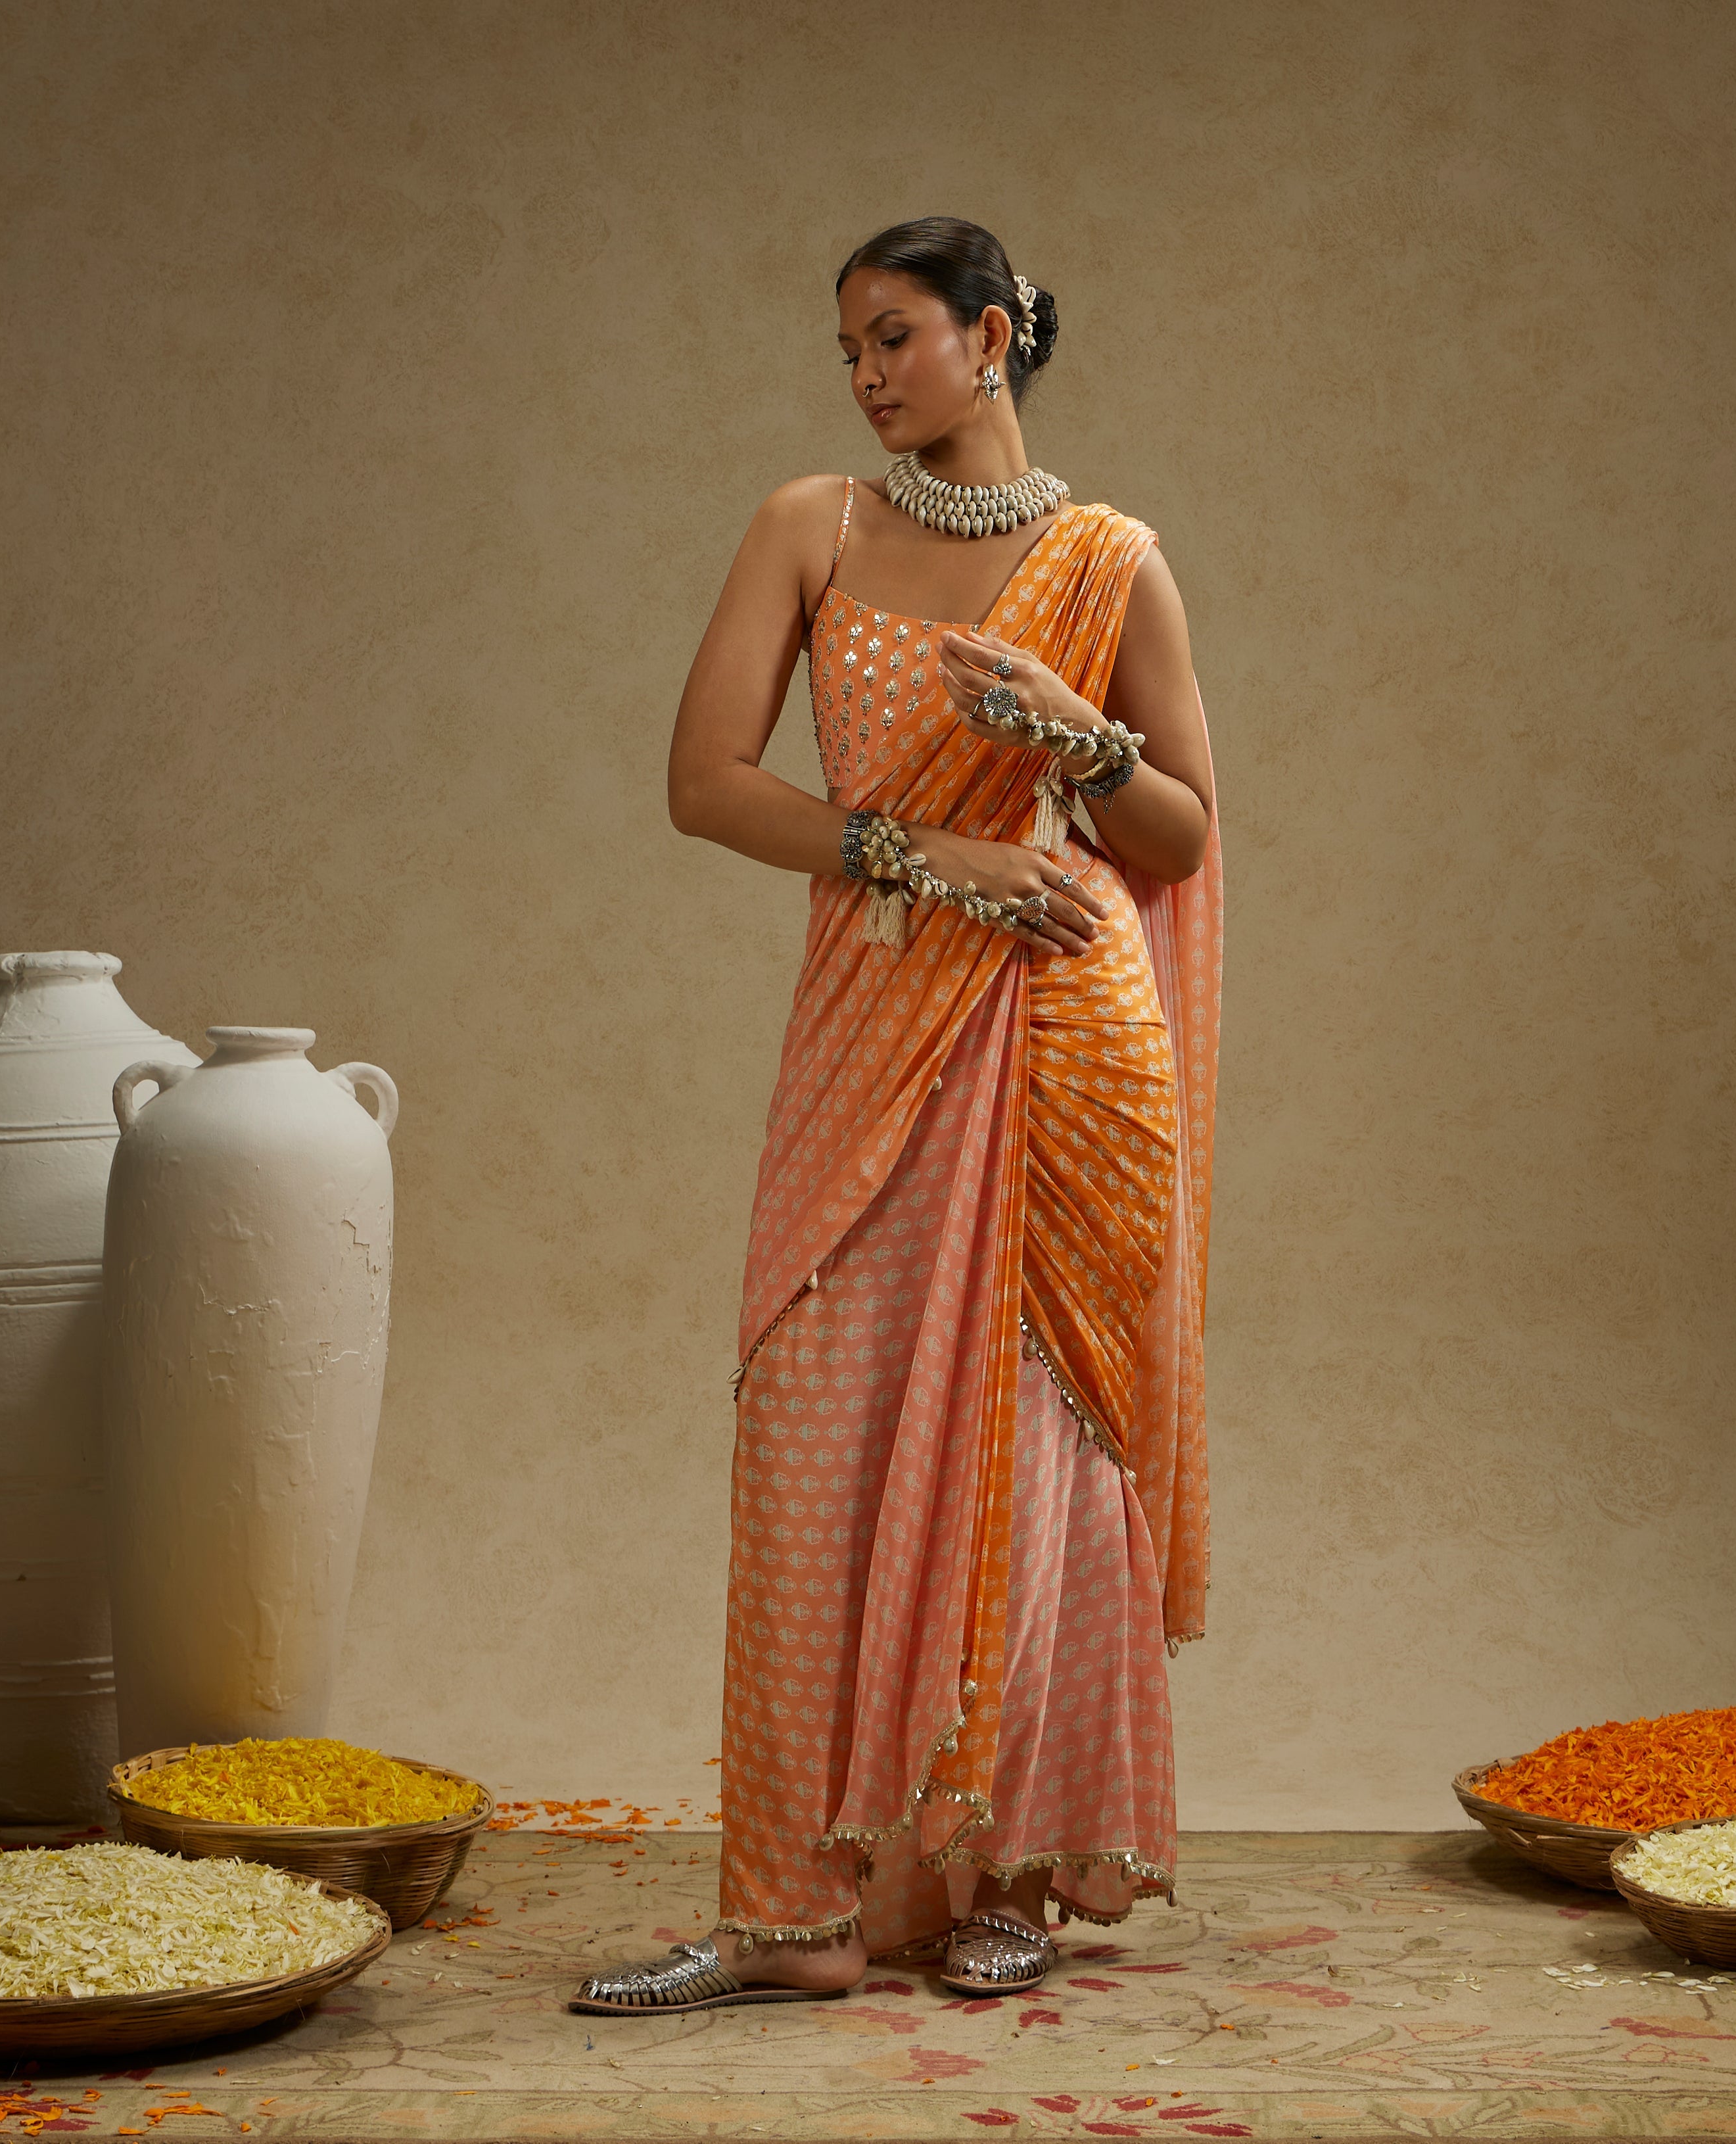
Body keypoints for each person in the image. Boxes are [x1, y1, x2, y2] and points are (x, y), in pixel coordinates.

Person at [572, 216, 1221, 2016]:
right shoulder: (810, 528)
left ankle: (1007, 1868)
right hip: (873, 1008)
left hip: (1069, 1027)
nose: (863, 375)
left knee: (1042, 1440)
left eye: (895, 338)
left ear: (990, 336)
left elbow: (1181, 833)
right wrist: (914, 851)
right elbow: (705, 783)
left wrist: (1078, 742)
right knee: (815, 1414)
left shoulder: (1112, 563)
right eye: (849, 347)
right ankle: (793, 1913)